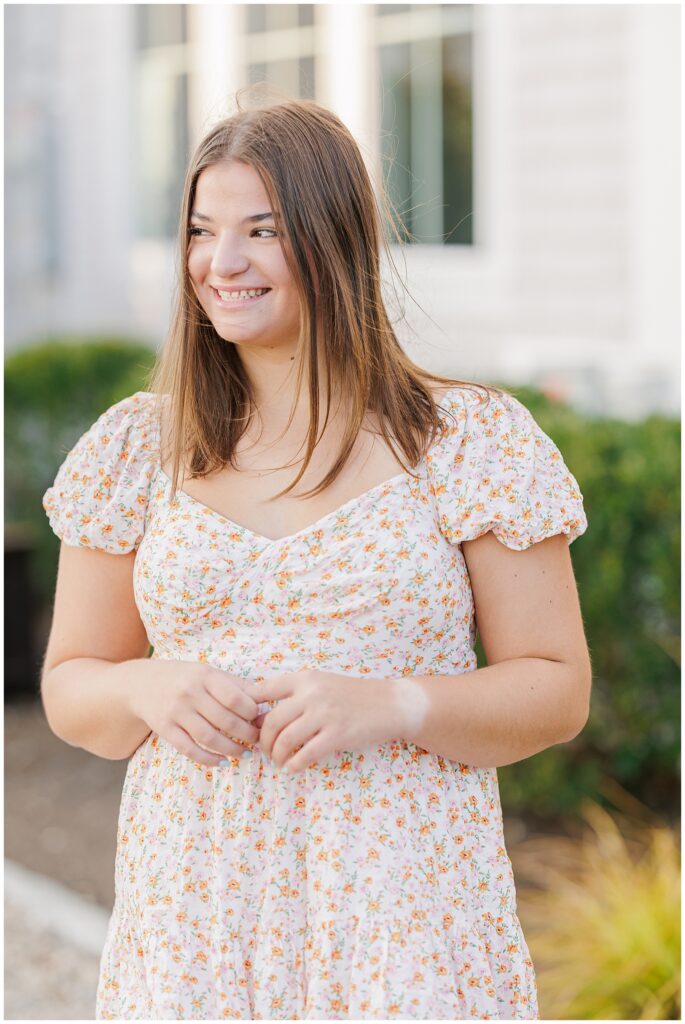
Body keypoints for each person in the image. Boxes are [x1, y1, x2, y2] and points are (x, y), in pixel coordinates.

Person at [41, 96, 591, 1021]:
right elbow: (69, 687)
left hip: (402, 909)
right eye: (201, 231)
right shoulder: (136, 449)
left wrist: (394, 704)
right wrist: (146, 687)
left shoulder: (469, 443)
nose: (221, 264)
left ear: (335, 241)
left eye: (261, 229)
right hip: (193, 914)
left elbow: (555, 688)